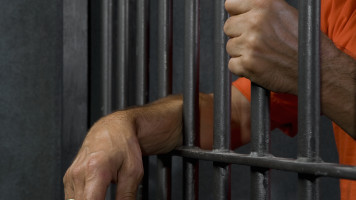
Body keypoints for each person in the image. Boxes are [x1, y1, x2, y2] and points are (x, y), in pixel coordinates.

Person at [63, 0, 356, 199]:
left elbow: (319, 71)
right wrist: (124, 126)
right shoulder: (341, 7)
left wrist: (317, 69)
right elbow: (235, 115)